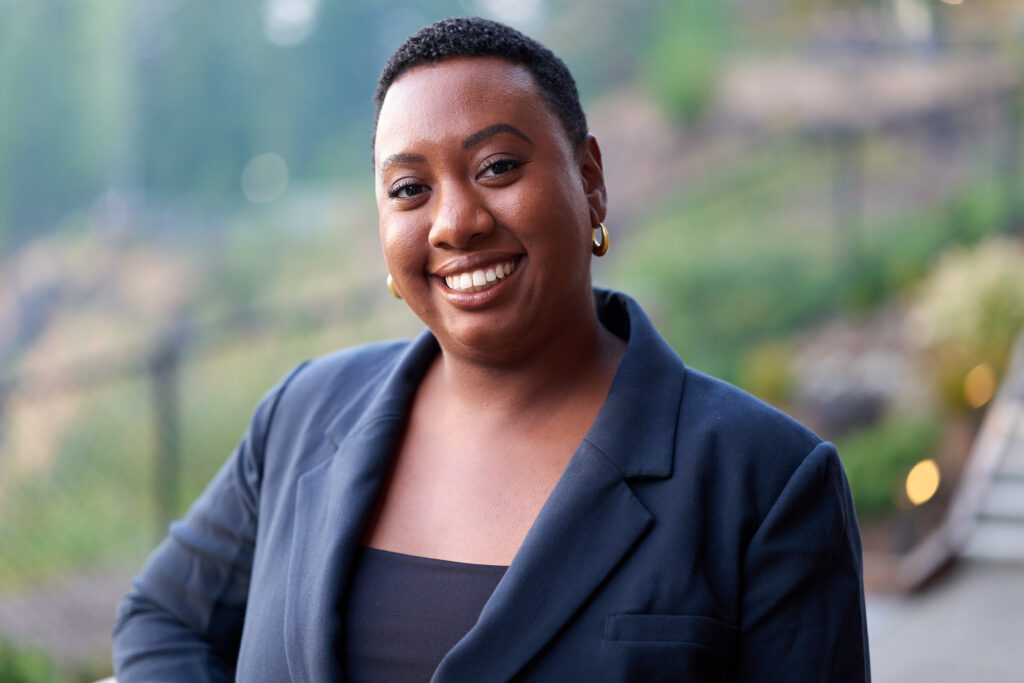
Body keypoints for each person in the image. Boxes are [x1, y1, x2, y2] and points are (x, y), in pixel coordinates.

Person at [112, 16, 870, 682]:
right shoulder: (303, 415)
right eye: (410, 189)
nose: (455, 222)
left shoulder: (767, 484)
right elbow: (162, 619)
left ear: (591, 180)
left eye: (497, 167)